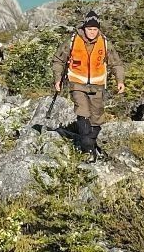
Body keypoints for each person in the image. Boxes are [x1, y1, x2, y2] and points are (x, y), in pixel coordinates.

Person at [52, 15, 125, 162]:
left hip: (97, 85)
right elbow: (59, 60)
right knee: (83, 112)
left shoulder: (104, 43)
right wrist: (58, 79)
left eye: (95, 29)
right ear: (84, 28)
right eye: (89, 29)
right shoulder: (72, 41)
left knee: (96, 118)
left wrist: (120, 80)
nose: (92, 32)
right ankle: (88, 149)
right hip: (77, 83)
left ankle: (91, 143)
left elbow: (116, 63)